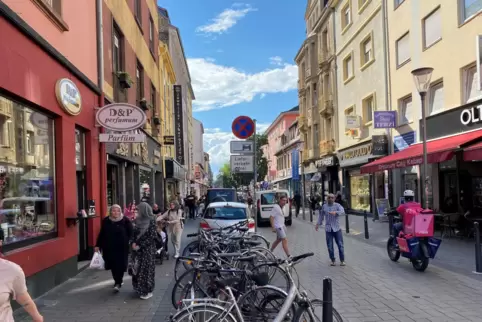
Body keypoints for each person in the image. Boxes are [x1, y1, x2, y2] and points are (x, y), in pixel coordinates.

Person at [95, 205, 133, 292]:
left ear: (120, 212)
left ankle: (118, 282)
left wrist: (131, 242)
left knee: (120, 265)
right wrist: (97, 245)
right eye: (113, 211)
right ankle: (117, 280)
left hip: (122, 247)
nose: (116, 213)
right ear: (110, 212)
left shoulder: (125, 220)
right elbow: (102, 234)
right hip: (109, 247)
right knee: (112, 265)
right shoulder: (106, 221)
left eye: (117, 211)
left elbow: (131, 233)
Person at [131, 201, 157, 300]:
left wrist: (140, 245)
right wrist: (133, 242)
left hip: (147, 250)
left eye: (138, 209)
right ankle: (139, 288)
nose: (137, 211)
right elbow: (133, 233)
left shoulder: (152, 220)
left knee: (146, 270)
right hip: (137, 249)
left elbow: (152, 236)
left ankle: (147, 290)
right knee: (137, 269)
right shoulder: (137, 220)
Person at [316, 193, 346, 266]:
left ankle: (342, 260)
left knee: (340, 245)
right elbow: (321, 215)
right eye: (329, 197)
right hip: (328, 229)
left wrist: (336, 212)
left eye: (332, 198)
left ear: (334, 199)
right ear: (327, 198)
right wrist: (317, 224)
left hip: (337, 228)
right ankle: (333, 260)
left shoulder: (337, 205)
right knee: (330, 245)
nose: (330, 199)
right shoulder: (324, 206)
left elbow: (343, 212)